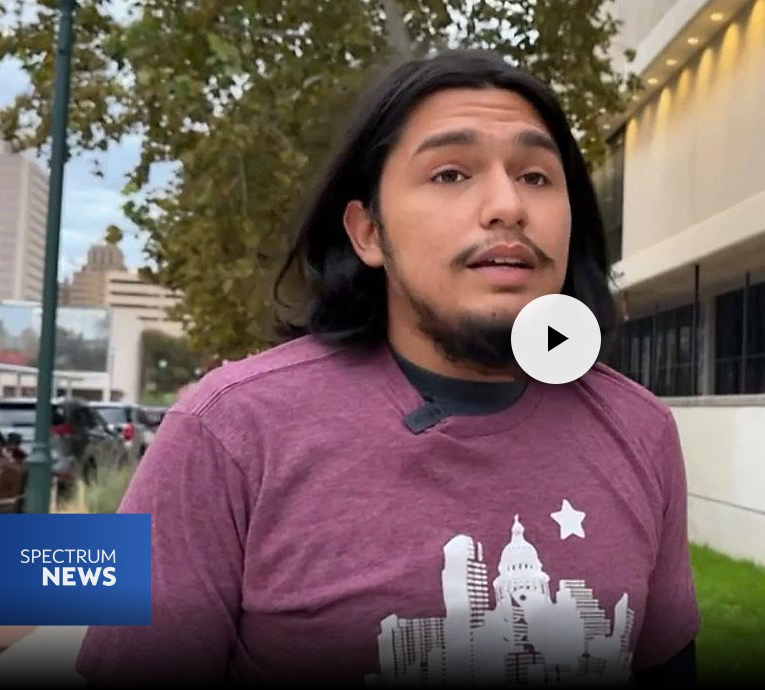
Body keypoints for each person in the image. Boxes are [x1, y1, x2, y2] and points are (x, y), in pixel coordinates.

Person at [76, 49, 700, 688]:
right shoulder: (226, 432)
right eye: (452, 173)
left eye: (537, 176)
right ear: (368, 232)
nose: (507, 205)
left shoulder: (641, 430)